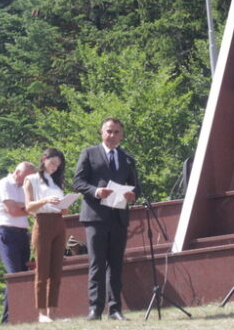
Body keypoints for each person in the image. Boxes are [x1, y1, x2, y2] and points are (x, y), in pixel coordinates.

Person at [73, 118, 139, 321]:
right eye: (109, 131)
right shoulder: (89, 153)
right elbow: (78, 181)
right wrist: (96, 191)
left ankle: (115, 309)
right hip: (95, 217)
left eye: (117, 132)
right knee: (97, 264)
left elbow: (136, 186)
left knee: (116, 265)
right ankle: (95, 309)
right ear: (102, 133)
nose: (112, 135)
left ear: (122, 135)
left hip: (118, 217)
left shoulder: (126, 157)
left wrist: (133, 195)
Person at [24, 149, 68, 323]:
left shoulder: (56, 182)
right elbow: (29, 207)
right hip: (42, 222)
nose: (55, 167)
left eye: (58, 165)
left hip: (59, 222)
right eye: (53, 163)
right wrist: (45, 200)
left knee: (57, 271)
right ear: (44, 159)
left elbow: (61, 207)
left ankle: (53, 312)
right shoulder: (32, 179)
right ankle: (41, 313)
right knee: (42, 270)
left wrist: (64, 206)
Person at [0, 161, 35, 323]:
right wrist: (27, 207)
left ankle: (21, 317)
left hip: (23, 234)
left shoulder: (24, 187)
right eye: (26, 177)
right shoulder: (4, 184)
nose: (28, 181)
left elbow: (30, 206)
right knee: (15, 275)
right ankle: (7, 320)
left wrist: (24, 206)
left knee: (23, 275)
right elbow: (13, 211)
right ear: (17, 172)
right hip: (7, 233)